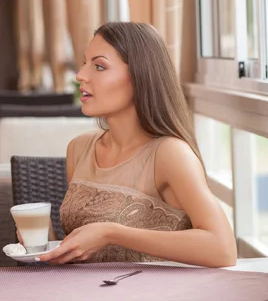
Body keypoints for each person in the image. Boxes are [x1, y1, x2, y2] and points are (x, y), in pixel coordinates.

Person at [37, 22, 236, 267]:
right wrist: (48, 242)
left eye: (99, 66)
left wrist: (113, 233)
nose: (81, 75)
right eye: (85, 63)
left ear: (141, 76)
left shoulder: (169, 154)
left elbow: (223, 249)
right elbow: (85, 255)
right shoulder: (79, 149)